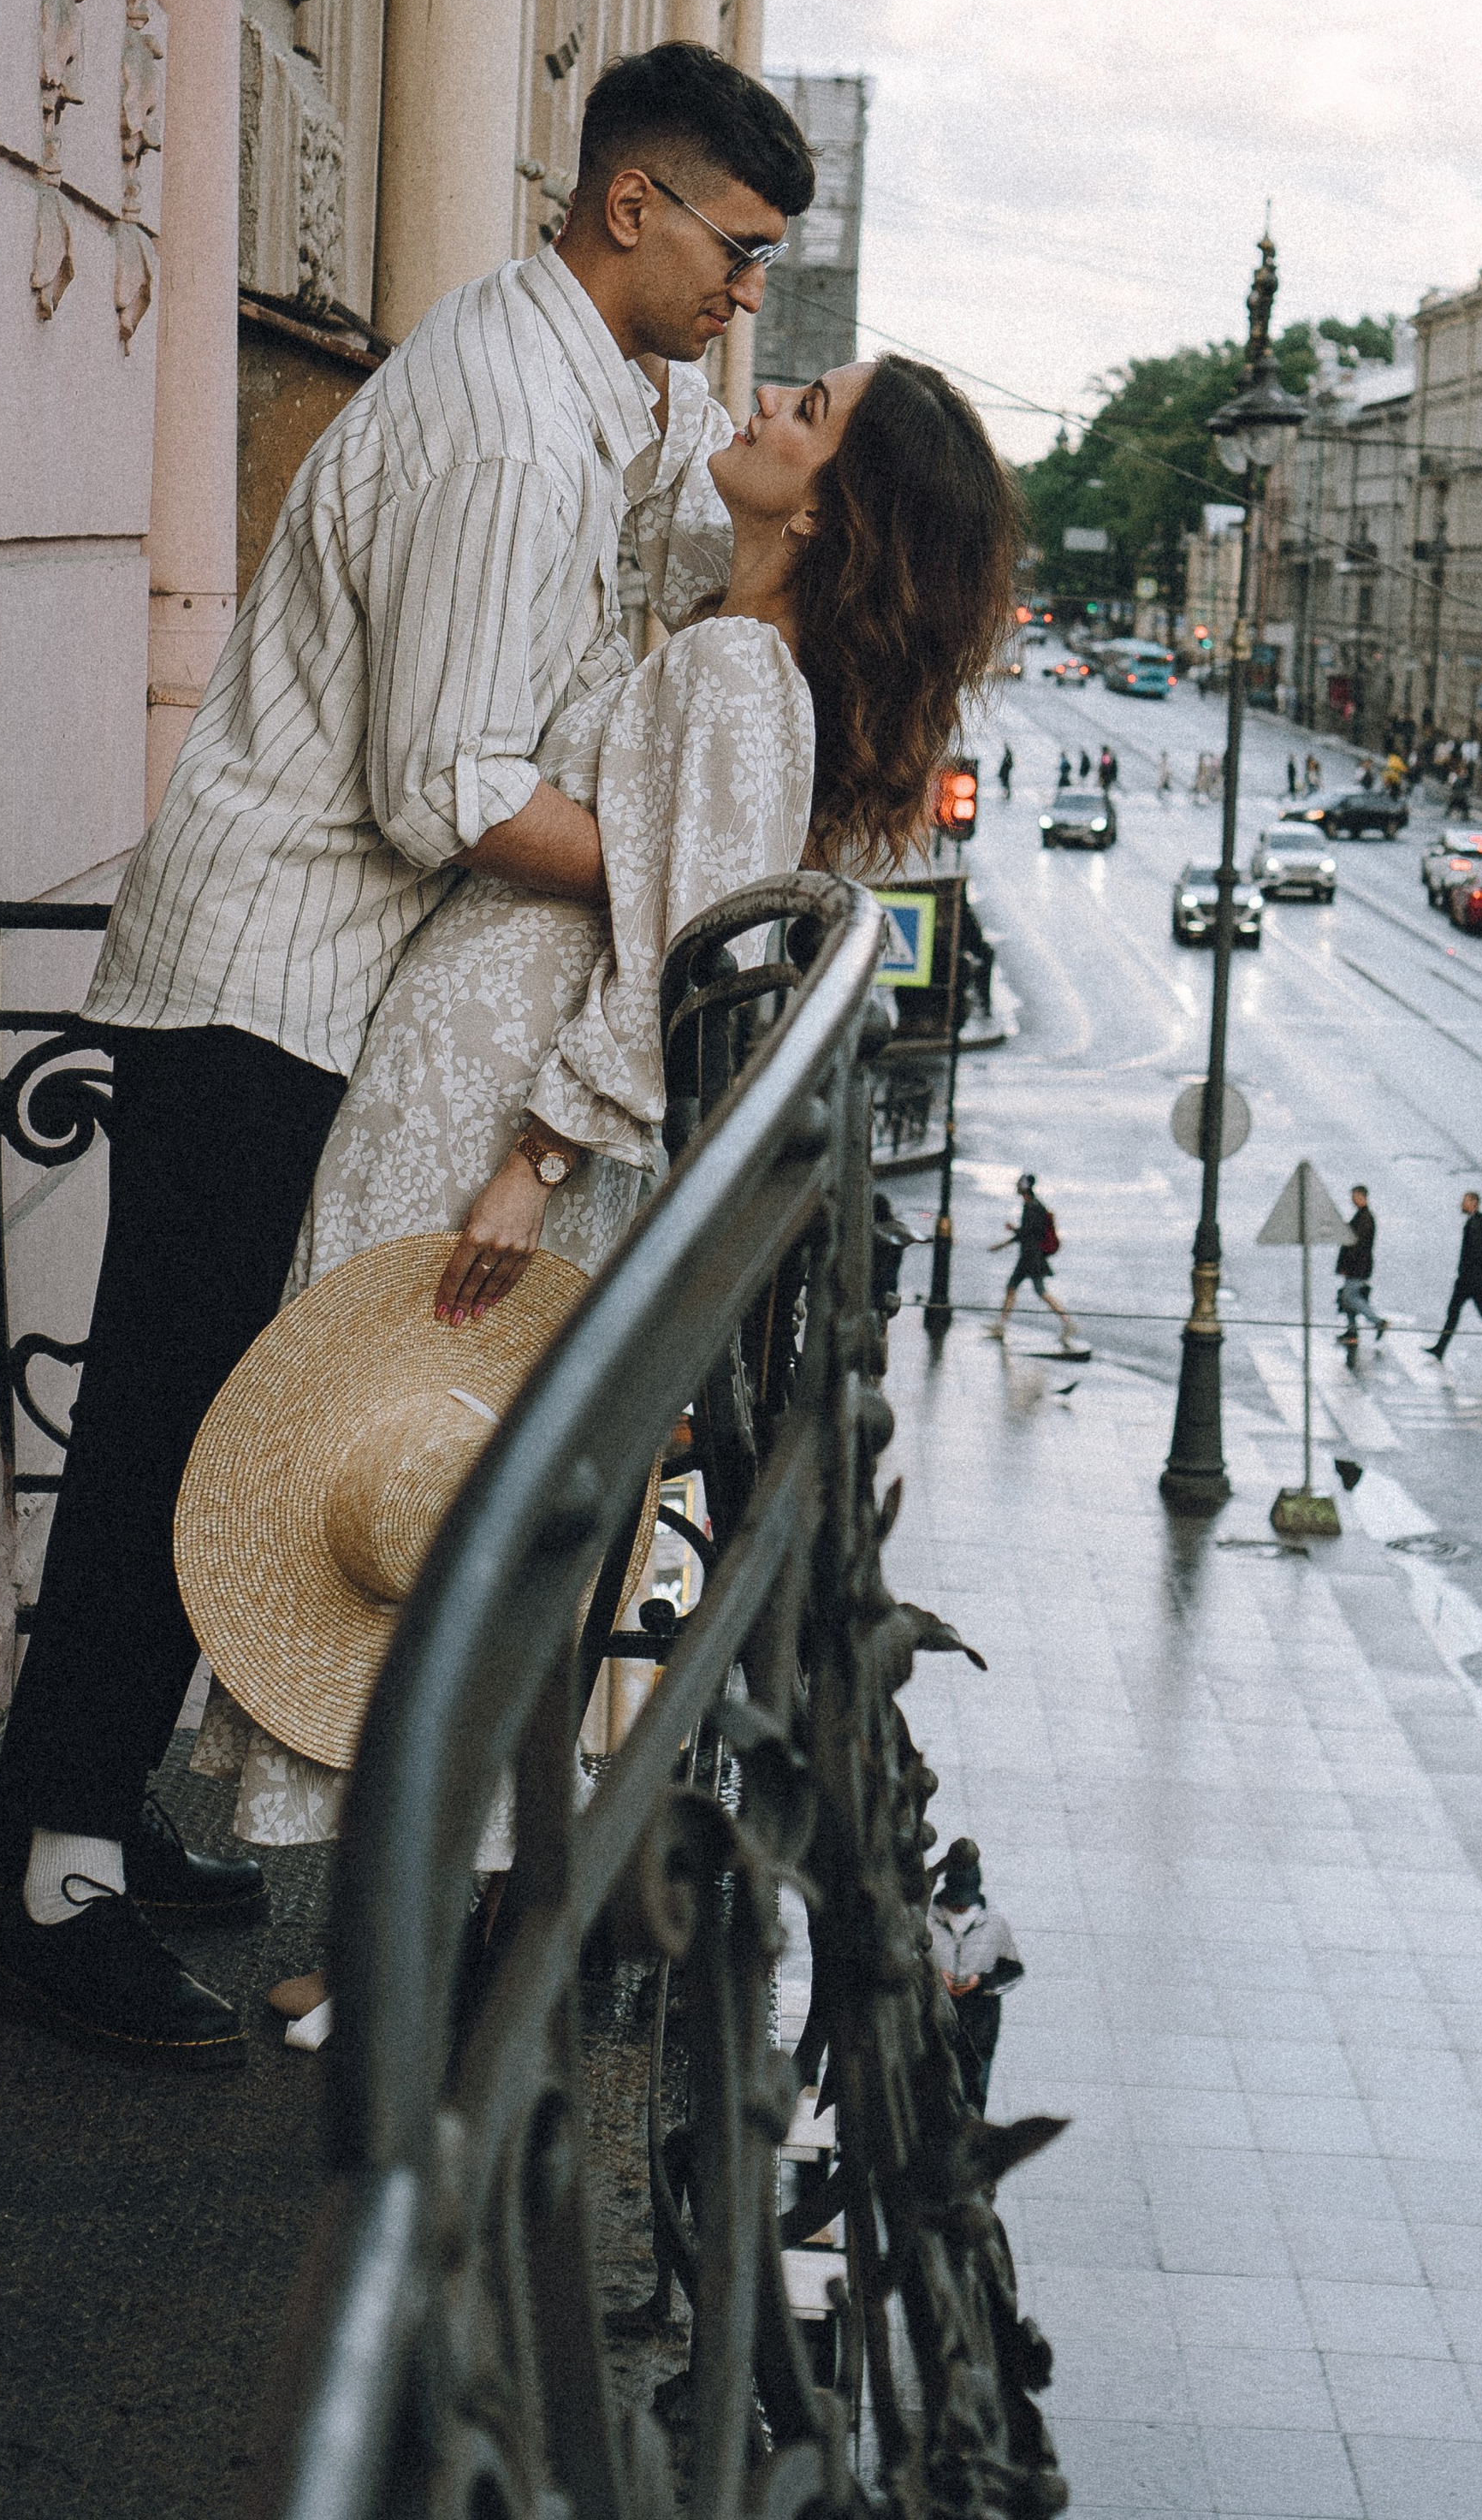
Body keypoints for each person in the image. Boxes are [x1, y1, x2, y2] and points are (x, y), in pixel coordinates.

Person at [0, 40, 815, 2064]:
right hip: (260, 981)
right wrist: (689, 870)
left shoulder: (599, 387)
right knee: (169, 1424)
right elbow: (448, 789)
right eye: (734, 246)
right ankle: (46, 1872)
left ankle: (95, 1809)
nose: (746, 297)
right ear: (629, 202)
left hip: (324, 983)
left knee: (210, 1408)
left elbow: (645, 570)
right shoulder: (508, 428)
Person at [193, 349, 1023, 2031]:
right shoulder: (731, 634)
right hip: (482, 1063)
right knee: (433, 1481)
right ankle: (421, 1946)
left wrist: (539, 1155)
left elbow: (682, 953)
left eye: (809, 412)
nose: (764, 403)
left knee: (422, 1477)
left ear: (836, 507)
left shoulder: (734, 666)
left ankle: (416, 1967)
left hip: (499, 1092)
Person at [929, 1836, 1023, 2111]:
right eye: (955, 1901)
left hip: (979, 2032)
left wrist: (980, 1982)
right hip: (934, 2029)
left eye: (964, 1901)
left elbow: (1013, 1971)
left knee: (972, 2103)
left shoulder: (994, 1924)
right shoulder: (927, 1919)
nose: (959, 1906)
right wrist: (936, 1978)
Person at [989, 1173, 1088, 1355]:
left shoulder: (1032, 1207)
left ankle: (1068, 1323)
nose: (1016, 1187)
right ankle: (1001, 1326)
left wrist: (1004, 1242)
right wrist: (1011, 1237)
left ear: (1024, 1188)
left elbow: (1028, 1233)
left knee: (1036, 1291)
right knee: (1017, 1288)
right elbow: (1029, 1232)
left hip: (1031, 1258)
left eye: (1019, 1185)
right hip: (1031, 1256)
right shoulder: (1033, 1205)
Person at [1426, 1190, 1482, 1364]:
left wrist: (1472, 1276)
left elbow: (1476, 1254)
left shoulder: (1475, 1225)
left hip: (1471, 1281)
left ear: (1473, 1203)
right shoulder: (1478, 1222)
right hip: (1473, 1280)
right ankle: (1440, 1348)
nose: (1462, 1204)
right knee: (1464, 1314)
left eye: (1465, 1201)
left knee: (1473, 1315)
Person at [1336, 1185, 1386, 1360]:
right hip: (1356, 1266)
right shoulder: (1361, 1216)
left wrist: (1347, 1264)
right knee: (1347, 1298)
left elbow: (1356, 1244)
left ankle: (1378, 1322)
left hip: (1358, 1266)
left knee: (1350, 1297)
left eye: (1355, 1196)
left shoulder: (1365, 1219)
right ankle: (1352, 1332)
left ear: (1362, 1196)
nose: (1352, 1199)